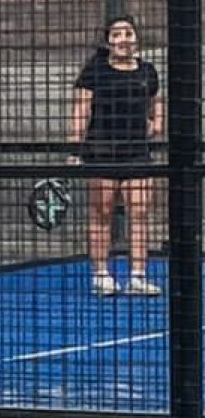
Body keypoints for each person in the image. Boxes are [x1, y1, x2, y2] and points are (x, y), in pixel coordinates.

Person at [68, 15, 164, 296]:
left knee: (140, 212)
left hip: (137, 154)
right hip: (101, 154)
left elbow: (157, 103)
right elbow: (81, 112)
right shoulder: (94, 71)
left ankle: (138, 277)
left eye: (128, 33)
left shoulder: (147, 71)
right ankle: (101, 275)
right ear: (108, 40)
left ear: (136, 38)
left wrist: (156, 124)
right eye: (117, 34)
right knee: (102, 213)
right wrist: (74, 150)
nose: (123, 39)